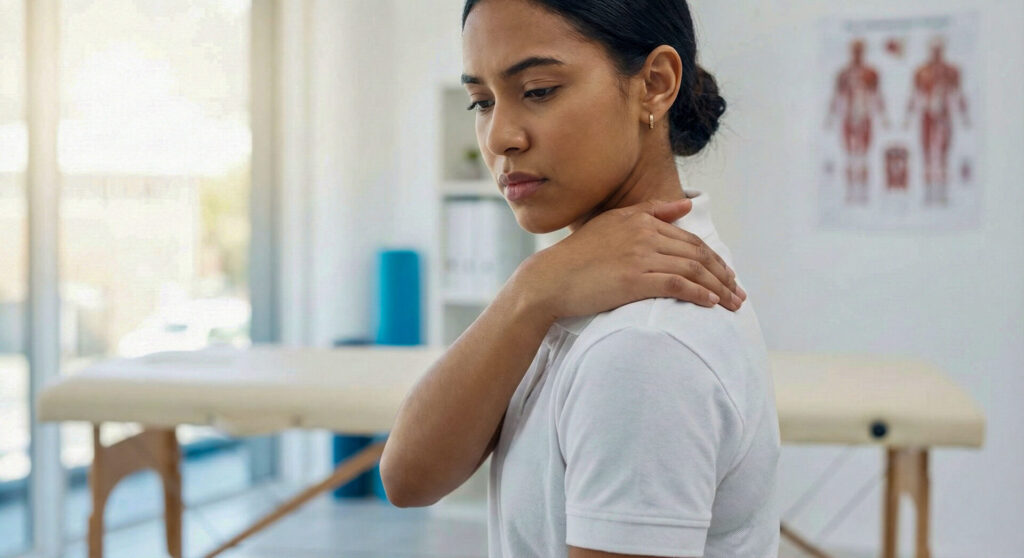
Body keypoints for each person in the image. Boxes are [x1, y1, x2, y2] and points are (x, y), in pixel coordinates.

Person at [381, 1, 780, 557]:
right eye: (482, 101)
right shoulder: (571, 287)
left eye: (539, 90)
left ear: (655, 85)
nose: (500, 137)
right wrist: (530, 289)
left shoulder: (644, 346)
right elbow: (408, 479)